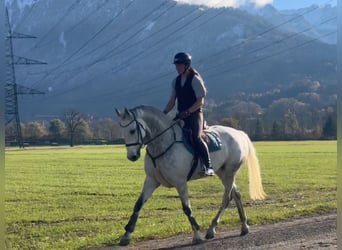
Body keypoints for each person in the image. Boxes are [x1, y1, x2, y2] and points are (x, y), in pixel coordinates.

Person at [163, 52, 215, 176]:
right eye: (176, 65)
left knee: (196, 137)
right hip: (181, 115)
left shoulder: (195, 80)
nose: (177, 68)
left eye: (179, 65)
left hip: (195, 114)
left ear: (186, 65)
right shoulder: (175, 81)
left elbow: (200, 101)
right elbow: (172, 101)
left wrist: (188, 111)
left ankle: (208, 166)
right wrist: (163, 113)